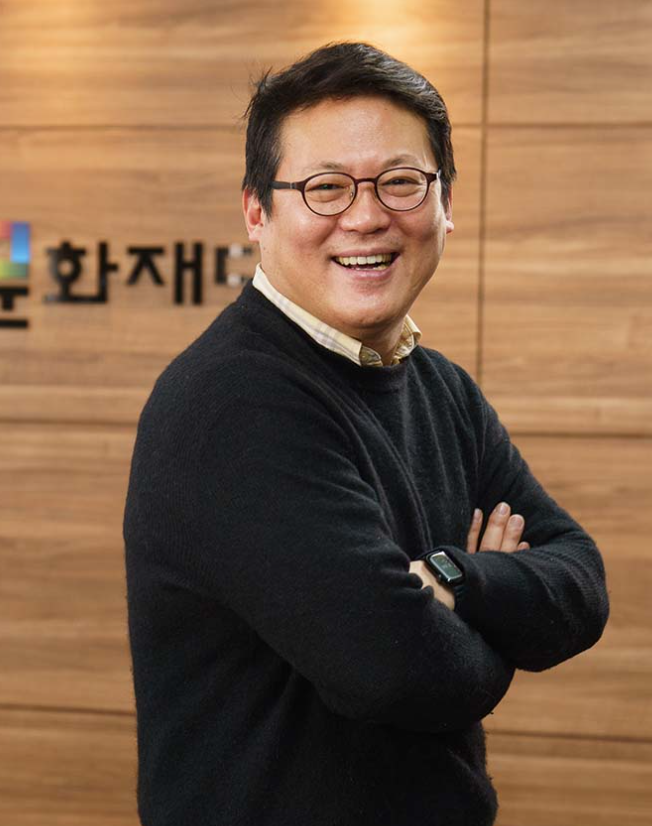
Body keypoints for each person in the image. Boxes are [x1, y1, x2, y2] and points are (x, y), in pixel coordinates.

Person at [123, 41, 609, 826]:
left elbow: (581, 583)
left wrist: (453, 580)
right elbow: (396, 671)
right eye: (325, 187)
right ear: (256, 211)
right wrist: (496, 630)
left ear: (445, 202)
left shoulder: (442, 388)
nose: (366, 215)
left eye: (401, 181)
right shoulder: (232, 402)